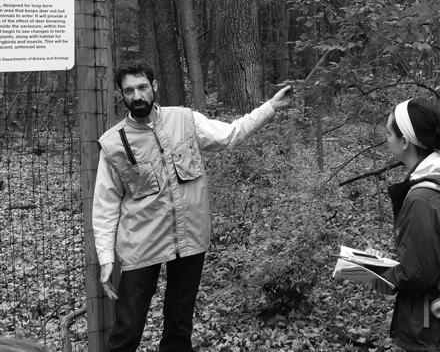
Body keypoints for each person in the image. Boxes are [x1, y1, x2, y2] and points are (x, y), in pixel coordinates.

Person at [92, 60, 292, 352]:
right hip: (140, 245)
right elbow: (105, 205)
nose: (137, 96)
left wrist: (270, 107)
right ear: (121, 95)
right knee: (128, 329)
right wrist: (106, 257)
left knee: (179, 326)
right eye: (129, 90)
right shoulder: (113, 143)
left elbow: (230, 134)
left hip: (189, 240)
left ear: (154, 87)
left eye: (143, 88)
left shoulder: (184, 120)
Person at [371, 98, 440, 351]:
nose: (386, 139)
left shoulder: (423, 198)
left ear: (405, 141)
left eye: (389, 133)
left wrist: (378, 271)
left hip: (434, 333)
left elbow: (417, 274)